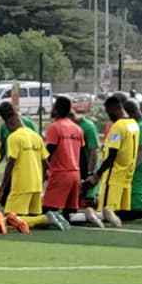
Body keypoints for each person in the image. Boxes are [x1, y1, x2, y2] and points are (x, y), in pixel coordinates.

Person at [0, 102, 70, 233]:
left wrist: (2, 188)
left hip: (21, 184)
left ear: (9, 123)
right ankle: (45, 218)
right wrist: (43, 180)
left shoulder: (13, 137)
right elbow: (46, 163)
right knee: (31, 218)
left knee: (10, 218)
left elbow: (10, 163)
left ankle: (46, 219)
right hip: (36, 185)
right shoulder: (36, 136)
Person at [43, 96, 103, 227]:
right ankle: (93, 215)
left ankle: (90, 214)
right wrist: (84, 175)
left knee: (46, 210)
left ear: (57, 110)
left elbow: (49, 151)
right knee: (70, 213)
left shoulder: (54, 127)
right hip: (75, 174)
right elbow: (82, 156)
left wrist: (42, 170)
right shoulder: (77, 128)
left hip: (60, 174)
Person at [83, 96, 140, 228]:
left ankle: (89, 215)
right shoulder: (133, 124)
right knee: (115, 208)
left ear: (114, 109)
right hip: (126, 173)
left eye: (108, 112)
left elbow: (112, 155)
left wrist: (97, 174)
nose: (109, 116)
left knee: (105, 209)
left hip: (114, 174)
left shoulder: (118, 126)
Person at [74, 112, 101, 208]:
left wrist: (90, 174)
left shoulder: (88, 127)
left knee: (87, 203)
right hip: (77, 168)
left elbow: (94, 152)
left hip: (87, 168)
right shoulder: (69, 126)